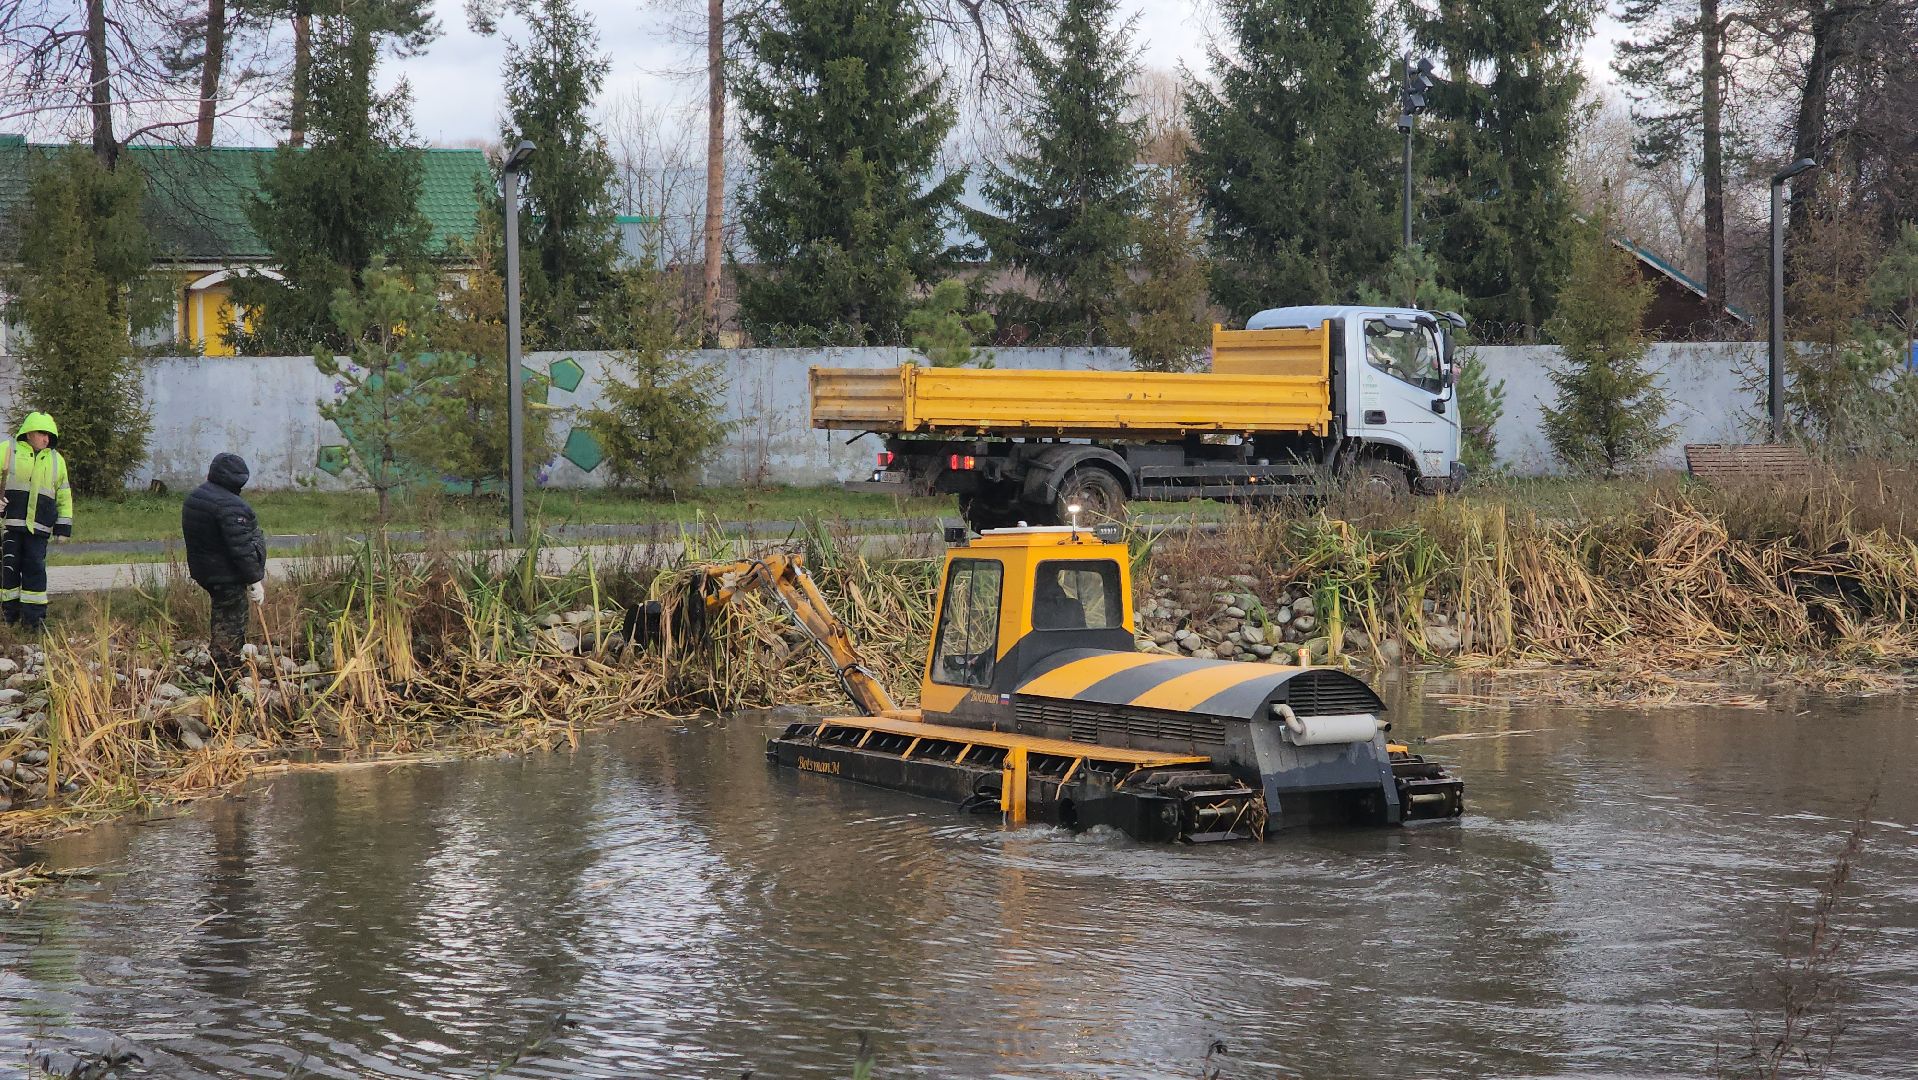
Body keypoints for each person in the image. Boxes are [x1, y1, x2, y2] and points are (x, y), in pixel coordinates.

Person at [181, 453, 266, 689]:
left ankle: (221, 669)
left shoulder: (197, 496)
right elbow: (240, 548)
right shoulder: (230, 507)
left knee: (222, 617)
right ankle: (225, 681)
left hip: (206, 571)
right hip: (225, 575)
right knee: (232, 624)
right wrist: (255, 579)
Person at [1, 412, 74, 631]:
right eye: (43, 434)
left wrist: (63, 527)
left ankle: (34, 622)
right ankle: (8, 618)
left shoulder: (56, 460)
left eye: (50, 436)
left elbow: (64, 494)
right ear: (29, 432)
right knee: (8, 570)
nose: (46, 439)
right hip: (10, 527)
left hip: (39, 530)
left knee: (35, 571)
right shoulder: (7, 451)